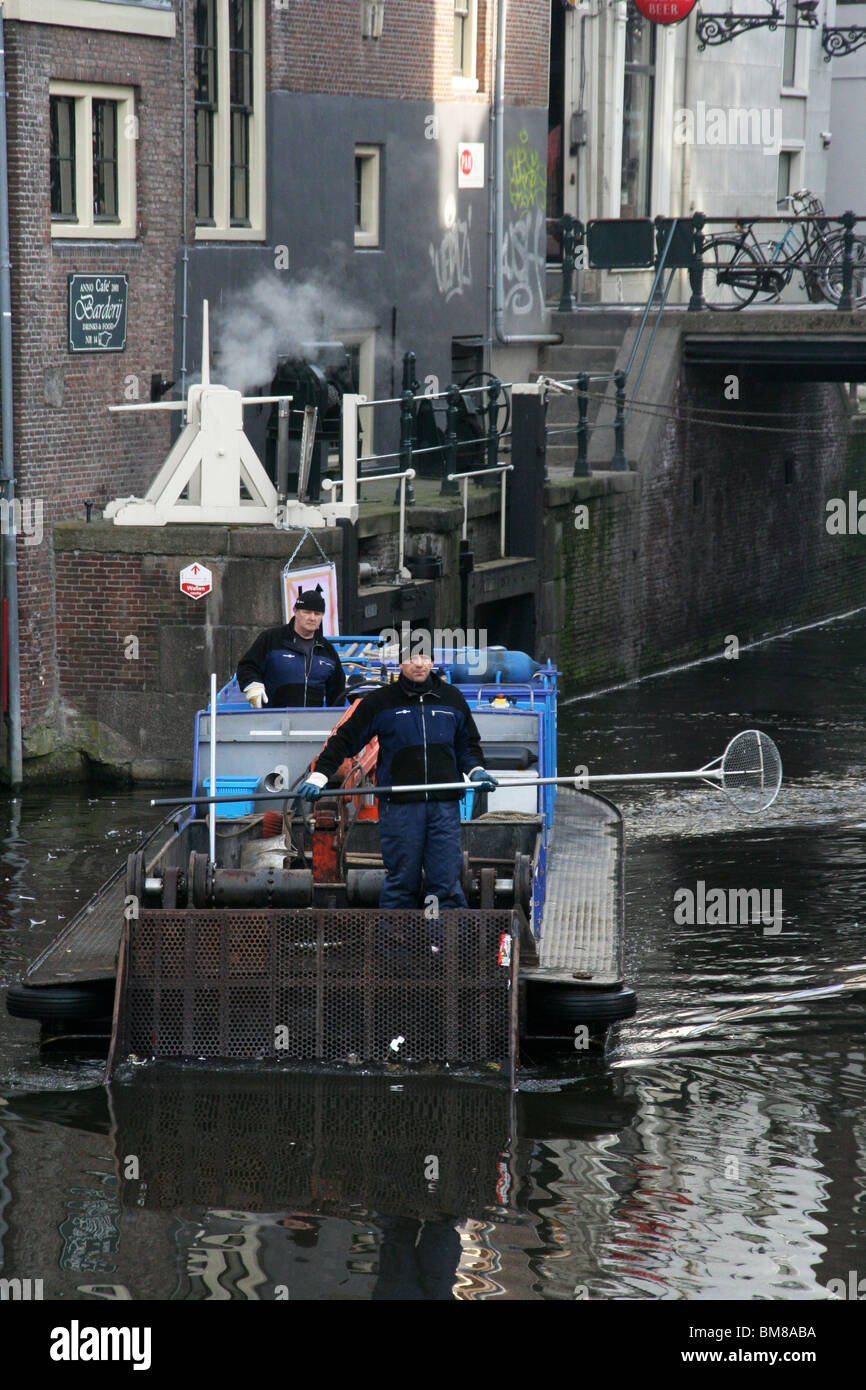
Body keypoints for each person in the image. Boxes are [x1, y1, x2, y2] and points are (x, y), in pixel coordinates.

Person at [297, 649, 497, 908]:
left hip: (443, 808)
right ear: (400, 663)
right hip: (400, 809)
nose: (419, 664)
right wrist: (320, 775)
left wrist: (476, 770)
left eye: (425, 658)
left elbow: (467, 746)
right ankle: (398, 947)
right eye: (412, 658)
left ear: (432, 662)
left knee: (444, 884)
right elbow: (345, 740)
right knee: (402, 883)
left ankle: (441, 944)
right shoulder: (381, 702)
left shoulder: (452, 699)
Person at [236, 589, 346, 709]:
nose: (312, 618)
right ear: (295, 611)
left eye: (317, 614)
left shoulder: (328, 651)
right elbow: (247, 666)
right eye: (307, 612)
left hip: (313, 724)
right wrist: (253, 685)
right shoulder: (271, 639)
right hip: (272, 722)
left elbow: (338, 694)